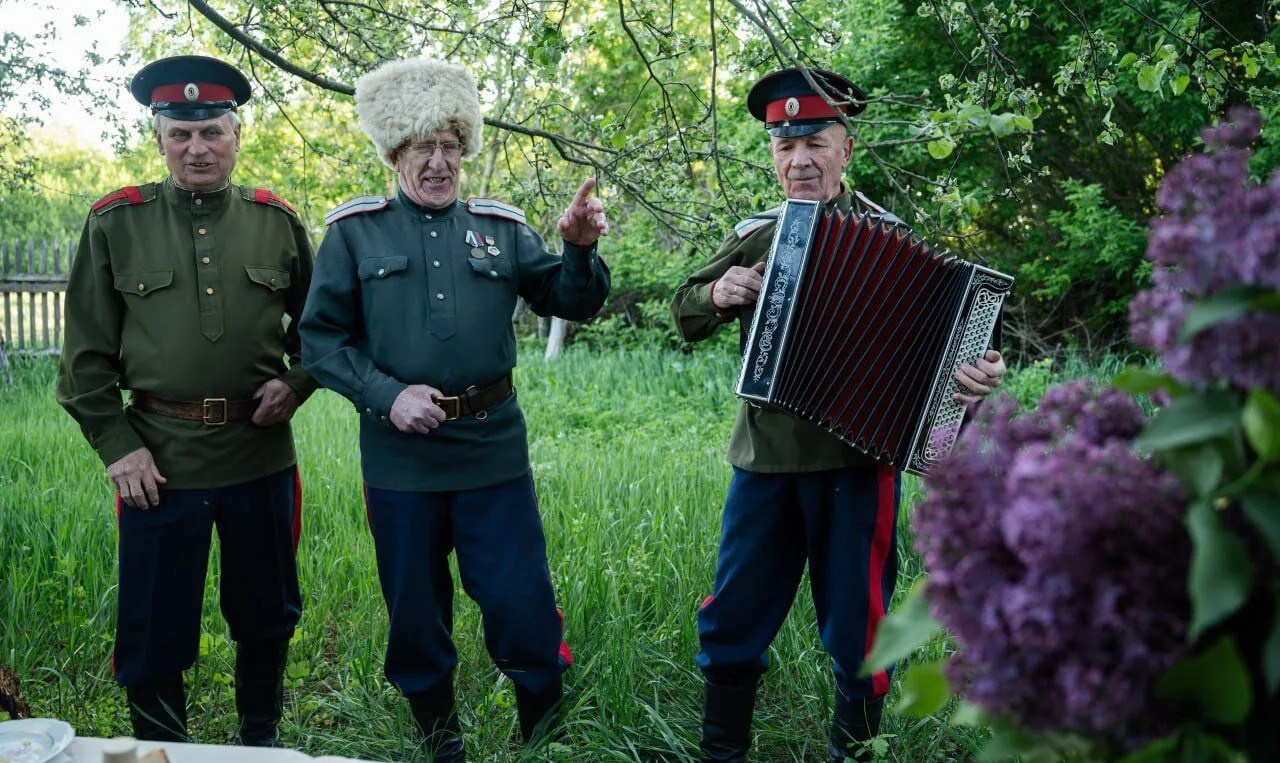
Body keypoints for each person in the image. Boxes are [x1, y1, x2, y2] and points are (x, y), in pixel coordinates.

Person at [671, 67, 1006, 763]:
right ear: (772, 154)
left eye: (815, 143)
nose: (798, 161)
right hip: (765, 461)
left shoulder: (889, 236)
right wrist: (717, 292)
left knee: (861, 627)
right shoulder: (759, 236)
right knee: (735, 614)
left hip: (860, 469)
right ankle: (721, 753)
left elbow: (952, 357)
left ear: (845, 148)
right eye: (784, 145)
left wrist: (976, 377)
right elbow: (685, 310)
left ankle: (852, 753)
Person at [299, 57, 610, 762]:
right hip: (400, 462)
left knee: (521, 601)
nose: (438, 162)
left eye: (448, 146)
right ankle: (441, 743)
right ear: (394, 155)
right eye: (421, 148)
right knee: (415, 609)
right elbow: (319, 342)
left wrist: (578, 248)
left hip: (493, 453)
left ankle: (542, 738)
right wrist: (388, 395)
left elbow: (572, 299)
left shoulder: (501, 228)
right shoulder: (354, 233)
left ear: (464, 149)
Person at [57, 55, 318, 746]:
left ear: (236, 135)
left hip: (259, 456)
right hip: (157, 463)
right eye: (180, 134)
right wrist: (118, 447)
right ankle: (158, 747)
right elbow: (83, 360)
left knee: (266, 613)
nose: (197, 148)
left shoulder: (277, 222)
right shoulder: (116, 222)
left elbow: (324, 331)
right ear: (159, 139)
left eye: (211, 132)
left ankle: (260, 741)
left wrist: (297, 383)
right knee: (153, 621)